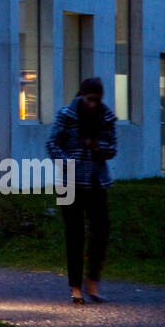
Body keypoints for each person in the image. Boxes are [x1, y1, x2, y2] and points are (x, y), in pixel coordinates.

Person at [47, 77, 118, 304]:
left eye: (97, 100)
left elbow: (112, 148)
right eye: (89, 99)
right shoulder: (67, 115)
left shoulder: (106, 117)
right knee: (75, 234)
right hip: (71, 181)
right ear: (81, 96)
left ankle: (93, 282)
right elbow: (52, 143)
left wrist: (97, 147)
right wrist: (67, 161)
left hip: (96, 181)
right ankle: (76, 287)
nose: (93, 104)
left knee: (100, 231)